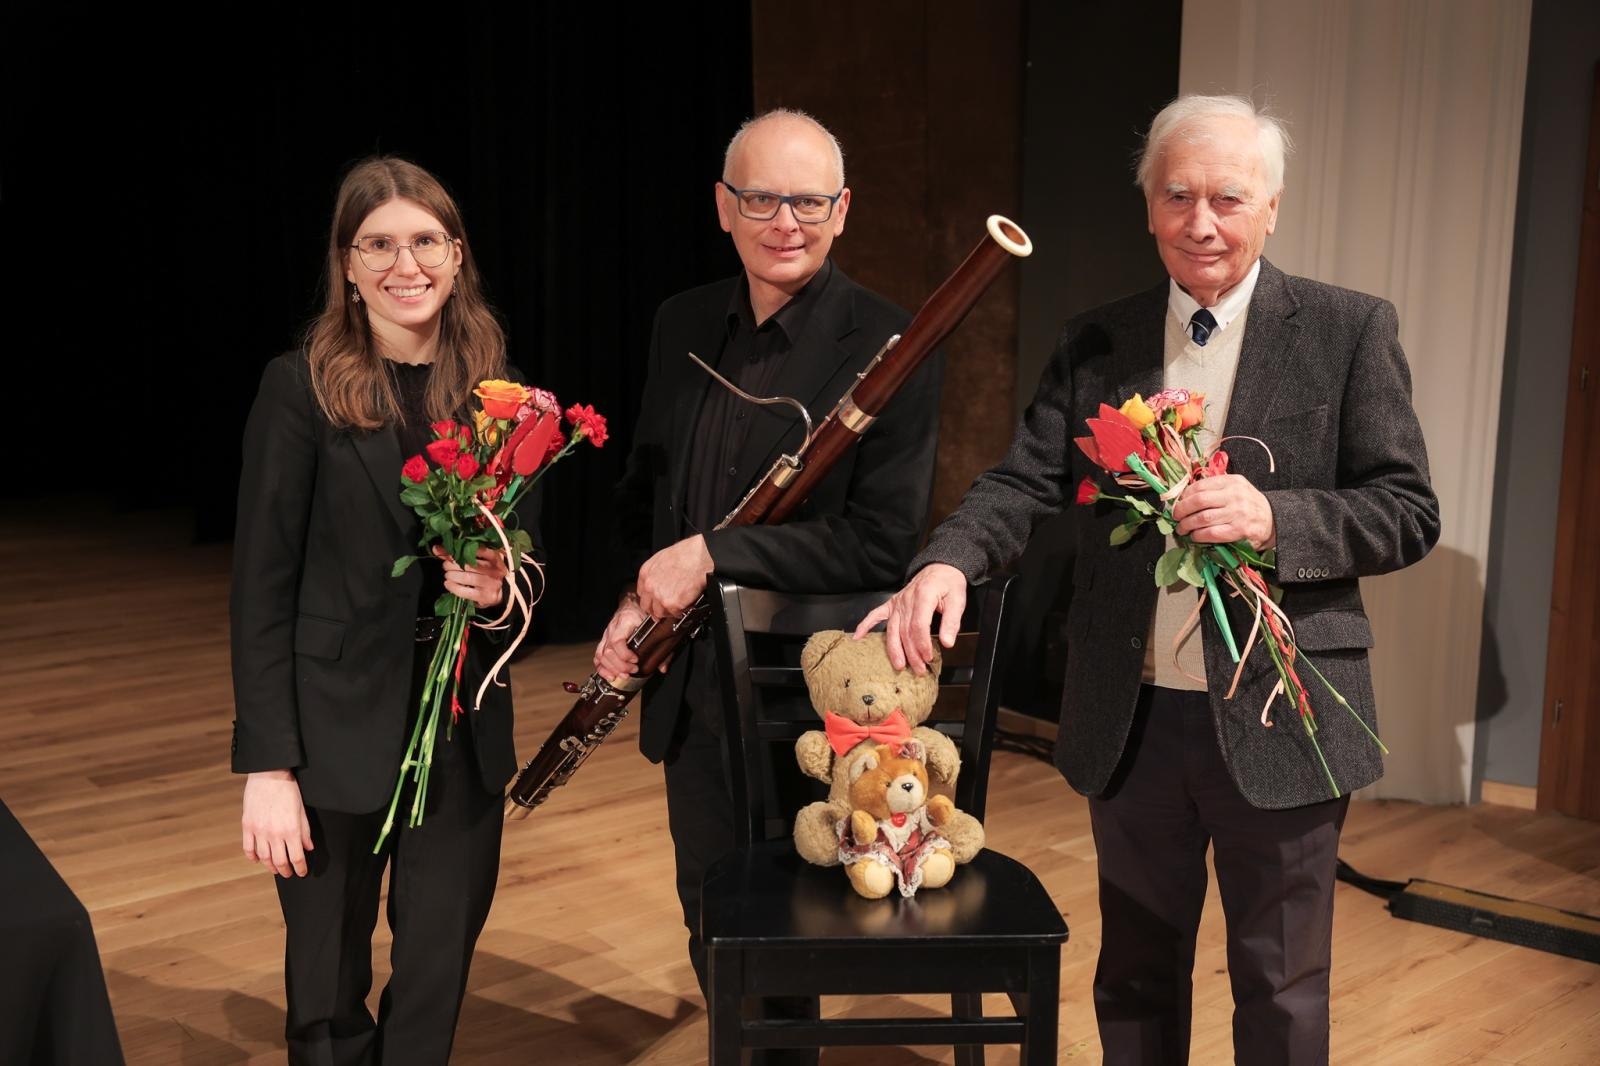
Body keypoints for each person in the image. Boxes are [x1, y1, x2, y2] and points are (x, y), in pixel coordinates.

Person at [858, 94, 1440, 1065]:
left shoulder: (1346, 330)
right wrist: (947, 558)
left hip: (1279, 711)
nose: (1200, 221)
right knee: (1131, 969)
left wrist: (1275, 516)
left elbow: (1406, 508)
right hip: (1129, 714)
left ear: (1271, 206)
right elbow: (1021, 479)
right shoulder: (1099, 339)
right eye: (1177, 195)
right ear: (1147, 206)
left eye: (1226, 196)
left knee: (1281, 981)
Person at [594, 109, 945, 998]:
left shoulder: (891, 343)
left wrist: (713, 553)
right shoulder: (681, 321)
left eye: (808, 201)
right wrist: (636, 599)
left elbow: (878, 541)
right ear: (723, 207)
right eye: (761, 199)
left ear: (843, 209)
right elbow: (646, 493)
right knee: (706, 908)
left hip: (804, 691)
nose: (785, 222)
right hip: (692, 681)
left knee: (791, 924)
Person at [231, 156, 531, 1065]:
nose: (407, 264)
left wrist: (500, 585)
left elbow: (533, 559)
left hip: (459, 724)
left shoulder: (499, 395)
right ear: (349, 267)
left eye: (425, 241)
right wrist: (270, 765)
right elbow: (261, 589)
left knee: (438, 962)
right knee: (325, 981)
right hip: (330, 728)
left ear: (457, 255)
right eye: (379, 244)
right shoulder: (301, 388)